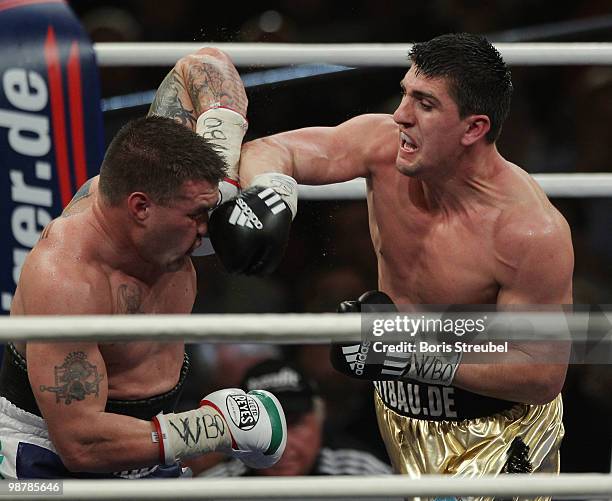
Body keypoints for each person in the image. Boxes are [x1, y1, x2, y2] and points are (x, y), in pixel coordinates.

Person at [213, 33, 574, 481]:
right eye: (406, 94)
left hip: (496, 432)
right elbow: (272, 149)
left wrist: (405, 353)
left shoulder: (529, 231)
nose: (401, 116)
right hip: (398, 408)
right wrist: (273, 195)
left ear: (473, 128)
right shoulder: (382, 147)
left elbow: (541, 375)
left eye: (425, 104)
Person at [0, 48, 288, 479]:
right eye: (195, 217)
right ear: (140, 208)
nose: (207, 229)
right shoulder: (68, 281)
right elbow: (80, 443)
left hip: (149, 441)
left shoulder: (159, 176)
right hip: (51, 454)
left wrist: (224, 163)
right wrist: (214, 429)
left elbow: (205, 63)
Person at [194, 359, 393, 477]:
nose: (281, 444)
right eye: (264, 428)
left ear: (319, 419)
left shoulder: (361, 476)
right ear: (236, 433)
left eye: (294, 423)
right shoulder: (215, 488)